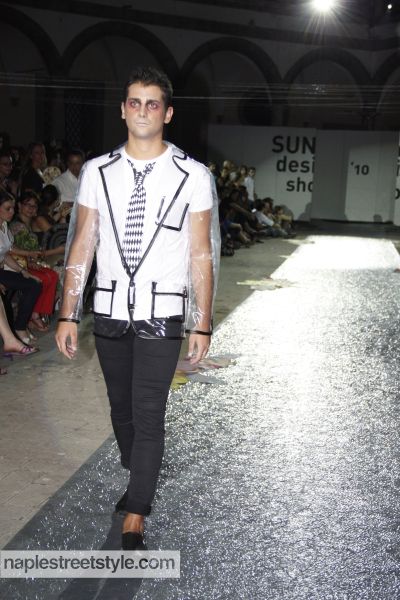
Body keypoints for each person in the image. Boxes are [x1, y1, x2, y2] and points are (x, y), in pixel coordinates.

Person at [55, 66, 220, 550]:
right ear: (122, 110)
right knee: (121, 410)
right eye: (134, 102)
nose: (143, 111)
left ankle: (136, 512)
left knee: (148, 413)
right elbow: (82, 244)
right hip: (108, 310)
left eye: (153, 104)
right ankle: (139, 472)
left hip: (162, 311)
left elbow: (201, 254)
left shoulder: (193, 175)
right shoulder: (97, 172)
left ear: (167, 113)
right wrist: (67, 313)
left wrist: (202, 322)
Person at [10, 192, 60, 331]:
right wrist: (32, 260)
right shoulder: (16, 226)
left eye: (34, 206)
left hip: (33, 261)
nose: (31, 208)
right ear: (19, 206)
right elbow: (16, 250)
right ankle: (34, 314)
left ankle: (37, 312)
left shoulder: (31, 224)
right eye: (28, 205)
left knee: (53, 275)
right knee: (45, 277)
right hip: (21, 263)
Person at [0, 190, 42, 345]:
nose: (12, 212)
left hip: (2, 269)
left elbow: (6, 254)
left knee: (34, 283)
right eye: (7, 208)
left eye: (12, 208)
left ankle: (20, 326)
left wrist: (23, 272)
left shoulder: (4, 226)